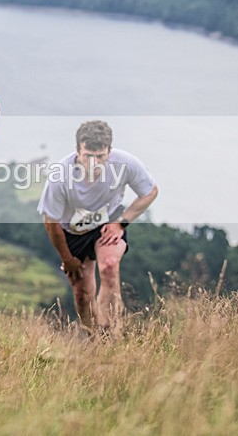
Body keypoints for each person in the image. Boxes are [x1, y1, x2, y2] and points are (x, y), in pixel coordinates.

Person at [37, 120, 158, 331]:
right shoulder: (60, 176)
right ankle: (94, 337)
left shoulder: (125, 163)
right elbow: (51, 222)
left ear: (109, 152)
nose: (94, 163)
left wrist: (121, 223)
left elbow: (150, 192)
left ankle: (110, 331)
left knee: (110, 266)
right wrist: (67, 259)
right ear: (77, 151)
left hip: (108, 223)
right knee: (82, 294)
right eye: (88, 157)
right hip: (72, 231)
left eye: (100, 157)